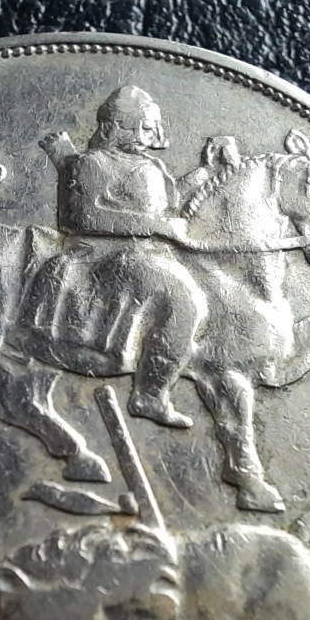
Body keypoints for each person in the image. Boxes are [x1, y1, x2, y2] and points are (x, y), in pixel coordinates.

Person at [28, 85, 208, 428]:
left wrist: (205, 173)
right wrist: (155, 225)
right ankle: (150, 395)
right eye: (145, 128)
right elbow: (83, 218)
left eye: (154, 129)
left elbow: (166, 207)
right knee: (181, 297)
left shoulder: (150, 164)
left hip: (146, 253)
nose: (153, 137)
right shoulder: (91, 163)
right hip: (102, 257)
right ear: (116, 126)